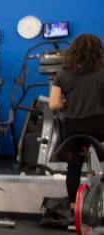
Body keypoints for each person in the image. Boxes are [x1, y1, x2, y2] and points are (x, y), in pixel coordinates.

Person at [49, 33, 104, 213]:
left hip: (72, 128)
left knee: (74, 167)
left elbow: (54, 104)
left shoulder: (62, 73)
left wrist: (67, 103)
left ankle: (73, 208)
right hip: (98, 127)